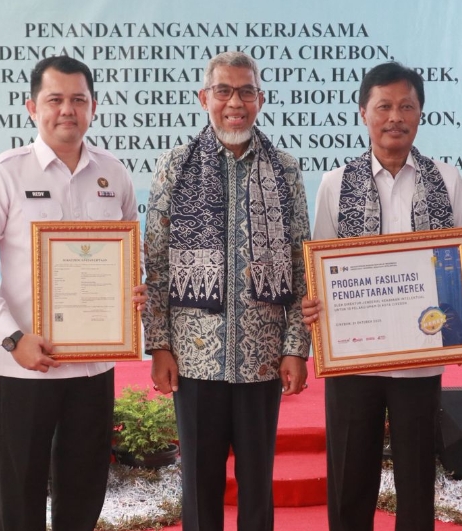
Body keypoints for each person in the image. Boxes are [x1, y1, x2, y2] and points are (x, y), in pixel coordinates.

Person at [0, 55, 146, 531]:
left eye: (78, 99)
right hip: (26, 365)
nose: (67, 110)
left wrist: (133, 291)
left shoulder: (114, 174)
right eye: (55, 99)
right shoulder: (5, 173)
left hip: (94, 362)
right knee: (20, 490)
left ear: (94, 107)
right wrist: (12, 337)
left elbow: (129, 257)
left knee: (85, 487)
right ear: (31, 107)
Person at [302, 62, 462, 531]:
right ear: (364, 112)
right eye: (384, 106)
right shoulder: (335, 183)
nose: (395, 117)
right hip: (353, 360)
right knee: (349, 478)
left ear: (421, 113)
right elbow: (321, 267)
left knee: (418, 480)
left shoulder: (447, 180)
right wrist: (314, 301)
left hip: (420, 361)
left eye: (406, 106)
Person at [143, 51, 310, 531]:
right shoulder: (175, 166)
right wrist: (159, 345)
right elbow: (154, 261)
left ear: (260, 99)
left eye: (246, 91)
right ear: (205, 98)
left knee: (258, 483)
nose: (235, 102)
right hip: (194, 358)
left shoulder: (285, 169)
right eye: (224, 91)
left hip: (261, 356)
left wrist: (295, 347)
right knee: (199, 483)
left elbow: (302, 265)